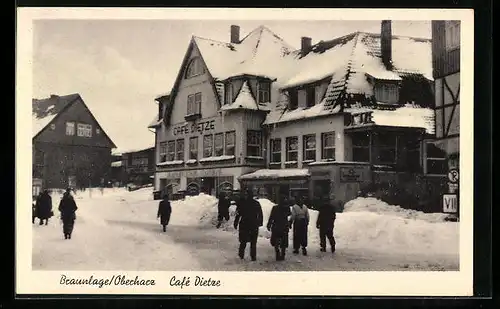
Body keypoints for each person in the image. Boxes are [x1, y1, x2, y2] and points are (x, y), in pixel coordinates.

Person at [233, 189, 263, 261]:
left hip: (244, 224)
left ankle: (241, 255)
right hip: (254, 224)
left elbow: (238, 214)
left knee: (243, 241)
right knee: (253, 242)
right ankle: (253, 256)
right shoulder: (256, 203)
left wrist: (236, 222)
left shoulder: (242, 203)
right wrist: (259, 222)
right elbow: (260, 214)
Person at [266, 195, 292, 261]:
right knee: (284, 241)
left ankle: (277, 253)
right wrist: (289, 224)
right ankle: (283, 254)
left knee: (276, 241)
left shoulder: (275, 208)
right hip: (284, 226)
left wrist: (269, 224)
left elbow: (271, 217)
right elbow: (290, 216)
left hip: (276, 226)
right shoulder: (287, 208)